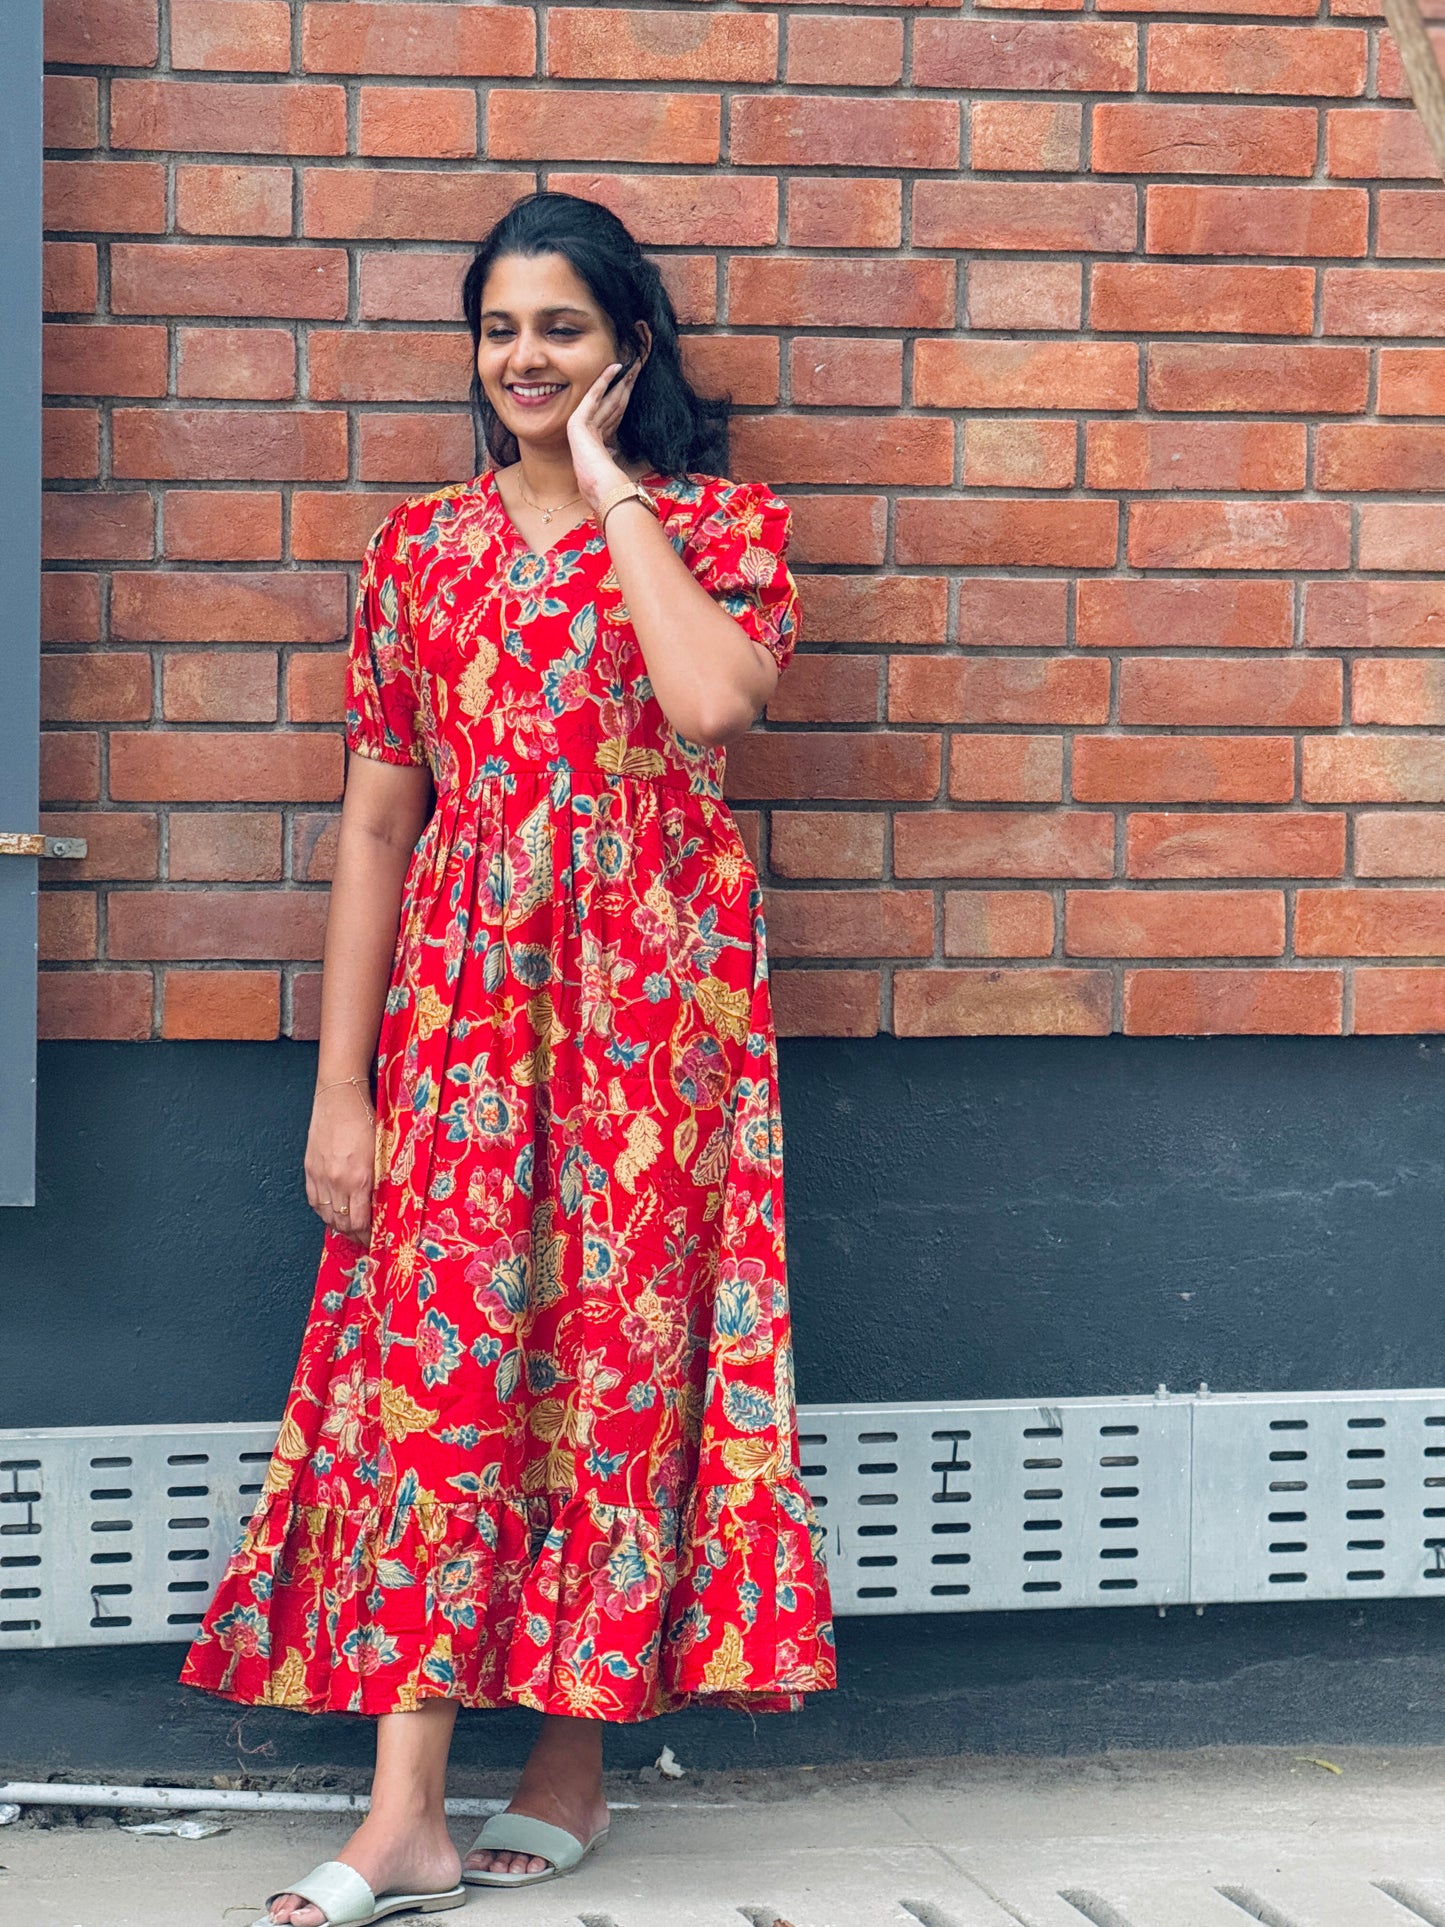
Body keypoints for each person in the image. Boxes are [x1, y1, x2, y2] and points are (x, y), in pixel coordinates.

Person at [179, 189, 837, 1927]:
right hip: (463, 1023)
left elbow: (712, 707)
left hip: (650, 1031)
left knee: (610, 1381)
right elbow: (379, 828)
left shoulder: (721, 524)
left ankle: (568, 1766)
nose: (522, 359)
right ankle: (404, 1812)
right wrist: (342, 1088)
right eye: (498, 329)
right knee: (439, 1384)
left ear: (627, 344)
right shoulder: (420, 553)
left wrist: (617, 492)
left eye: (558, 326)